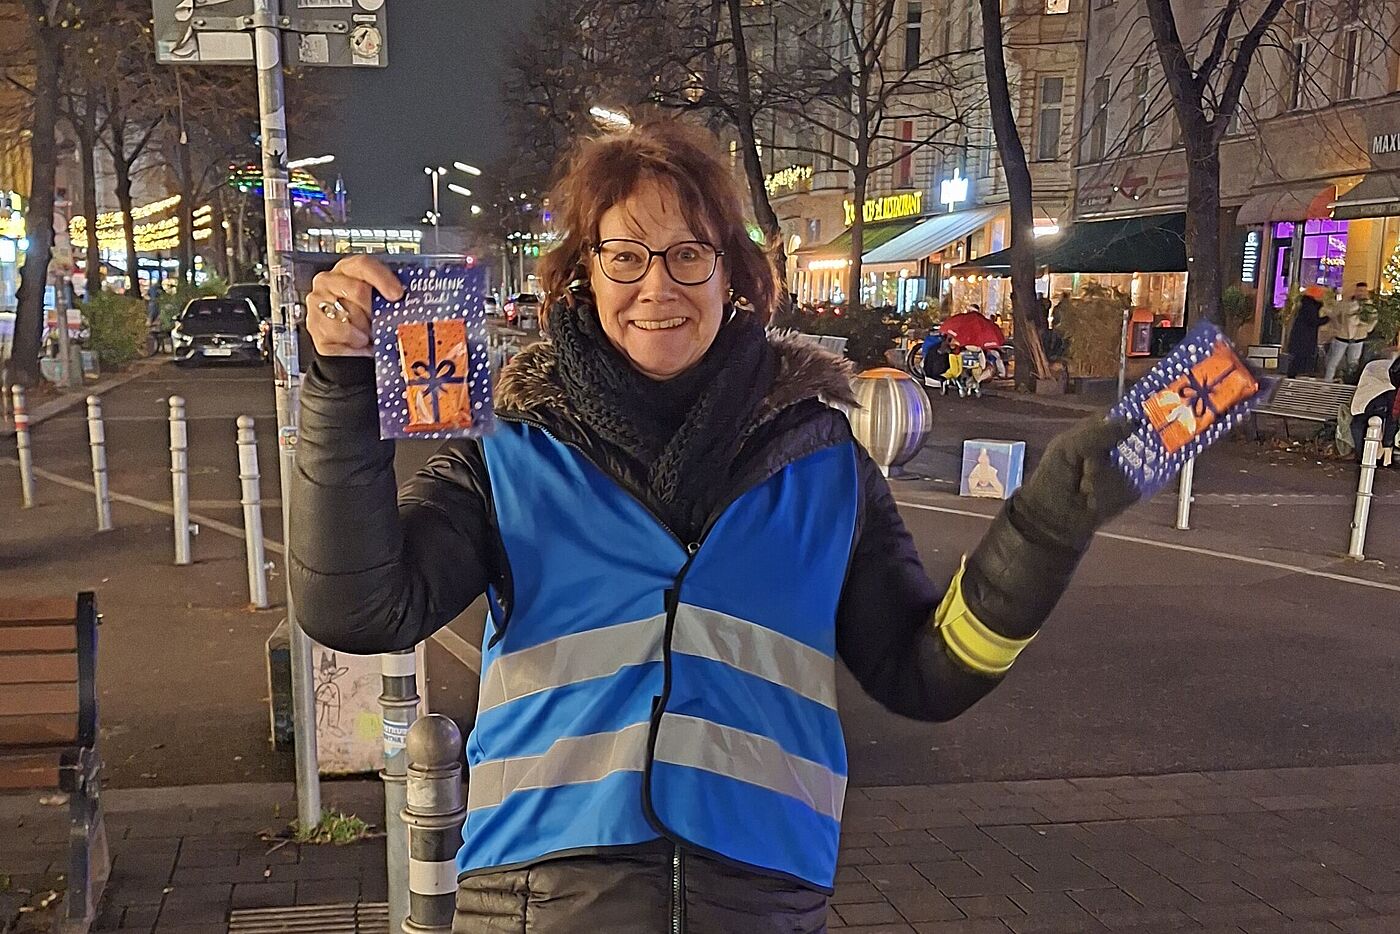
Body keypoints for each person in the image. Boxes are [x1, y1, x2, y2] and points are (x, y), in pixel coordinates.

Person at [291, 121, 1138, 933]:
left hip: (759, 899)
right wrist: (337, 387)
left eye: (688, 255)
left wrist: (1044, 529)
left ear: (731, 274)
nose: (656, 287)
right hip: (538, 900)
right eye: (625, 256)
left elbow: (924, 671)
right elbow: (360, 611)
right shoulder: (508, 454)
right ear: (584, 274)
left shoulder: (823, 464)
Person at [1348, 354, 1400, 466]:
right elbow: (1393, 415)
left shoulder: (1373, 372)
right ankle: (1377, 457)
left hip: (1363, 410)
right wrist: (1387, 445)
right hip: (1377, 412)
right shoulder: (1390, 389)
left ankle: (1364, 457)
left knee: (1360, 425)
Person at [1323, 282, 1374, 382]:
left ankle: (1349, 382)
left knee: (1353, 363)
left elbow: (1372, 321)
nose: (1361, 293)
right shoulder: (1345, 303)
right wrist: (1337, 326)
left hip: (1358, 338)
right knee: (1333, 361)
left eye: (1363, 291)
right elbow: (1334, 314)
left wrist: (1366, 328)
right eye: (1359, 290)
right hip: (1342, 337)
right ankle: (1327, 382)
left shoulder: (1369, 306)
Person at [1286, 285, 1330, 378]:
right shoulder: (1309, 306)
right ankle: (1295, 375)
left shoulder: (1307, 304)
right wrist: (1327, 319)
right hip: (1304, 338)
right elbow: (1313, 321)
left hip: (1303, 336)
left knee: (1299, 357)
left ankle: (1295, 374)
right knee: (1300, 357)